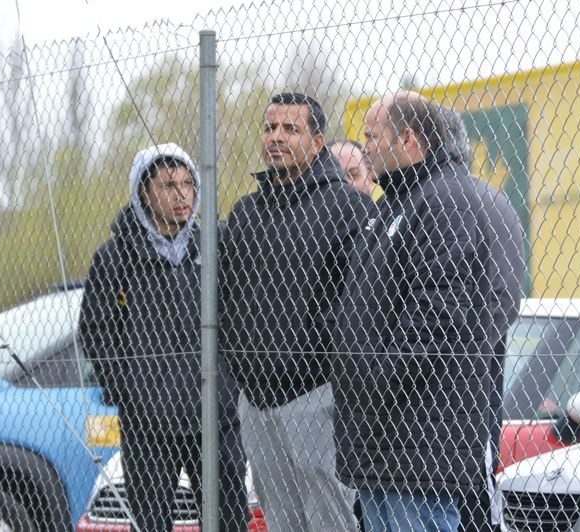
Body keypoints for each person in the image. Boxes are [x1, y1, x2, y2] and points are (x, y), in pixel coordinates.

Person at [330, 92, 495, 532]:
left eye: (371, 136)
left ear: (406, 138)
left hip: (418, 433)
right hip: (384, 434)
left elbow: (439, 314)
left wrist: (372, 377)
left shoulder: (443, 201)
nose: (364, 147)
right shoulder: (395, 203)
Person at [220, 92, 375, 531]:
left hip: (317, 396)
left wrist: (318, 367)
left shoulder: (349, 208)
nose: (277, 137)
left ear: (318, 140)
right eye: (270, 128)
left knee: (330, 519)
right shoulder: (246, 214)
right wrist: (243, 372)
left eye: (290, 129)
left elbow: (358, 305)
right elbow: (227, 300)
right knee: (281, 520)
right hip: (255, 402)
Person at [79, 143, 247, 532]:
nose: (181, 194)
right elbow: (96, 330)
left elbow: (242, 315)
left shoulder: (216, 246)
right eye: (169, 185)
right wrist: (128, 391)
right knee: (150, 521)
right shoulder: (115, 257)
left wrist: (232, 383)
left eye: (189, 183)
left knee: (228, 519)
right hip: (148, 421)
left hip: (215, 415)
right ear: (143, 192)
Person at [437, 105, 526, 532]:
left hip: (468, 388)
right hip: (423, 391)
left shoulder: (487, 204)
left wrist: (454, 352)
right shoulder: (412, 205)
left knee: (471, 501)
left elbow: (503, 298)